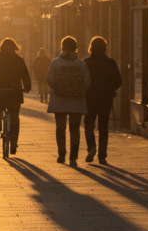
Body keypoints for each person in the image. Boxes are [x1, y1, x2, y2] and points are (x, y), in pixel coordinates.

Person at [46, 36, 90, 166]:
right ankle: (73, 157)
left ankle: (61, 154)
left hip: (59, 101)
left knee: (60, 128)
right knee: (74, 129)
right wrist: (80, 90)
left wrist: (58, 88)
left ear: (62, 47)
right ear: (75, 47)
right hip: (76, 101)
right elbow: (87, 80)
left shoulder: (56, 62)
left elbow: (49, 79)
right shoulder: (81, 63)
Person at [0, 38, 32, 154]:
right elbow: (25, 75)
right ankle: (14, 142)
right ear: (15, 48)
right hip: (15, 93)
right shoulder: (19, 60)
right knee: (14, 116)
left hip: (0, 92)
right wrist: (27, 87)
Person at [84, 36, 122, 166]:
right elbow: (118, 81)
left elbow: (82, 81)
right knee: (103, 127)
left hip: (90, 98)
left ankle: (91, 147)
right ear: (105, 47)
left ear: (91, 48)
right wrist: (111, 89)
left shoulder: (86, 63)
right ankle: (102, 155)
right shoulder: (110, 62)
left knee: (89, 124)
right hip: (105, 98)